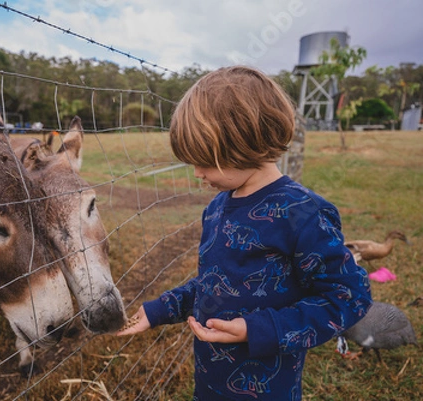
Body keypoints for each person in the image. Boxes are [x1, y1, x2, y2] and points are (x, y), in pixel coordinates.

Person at [117, 65, 372, 400]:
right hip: (210, 382)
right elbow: (217, 284)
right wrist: (158, 310)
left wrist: (257, 329)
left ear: (242, 144)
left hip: (268, 389)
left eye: (204, 161)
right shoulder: (217, 208)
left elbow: (349, 296)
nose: (197, 173)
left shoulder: (303, 213)